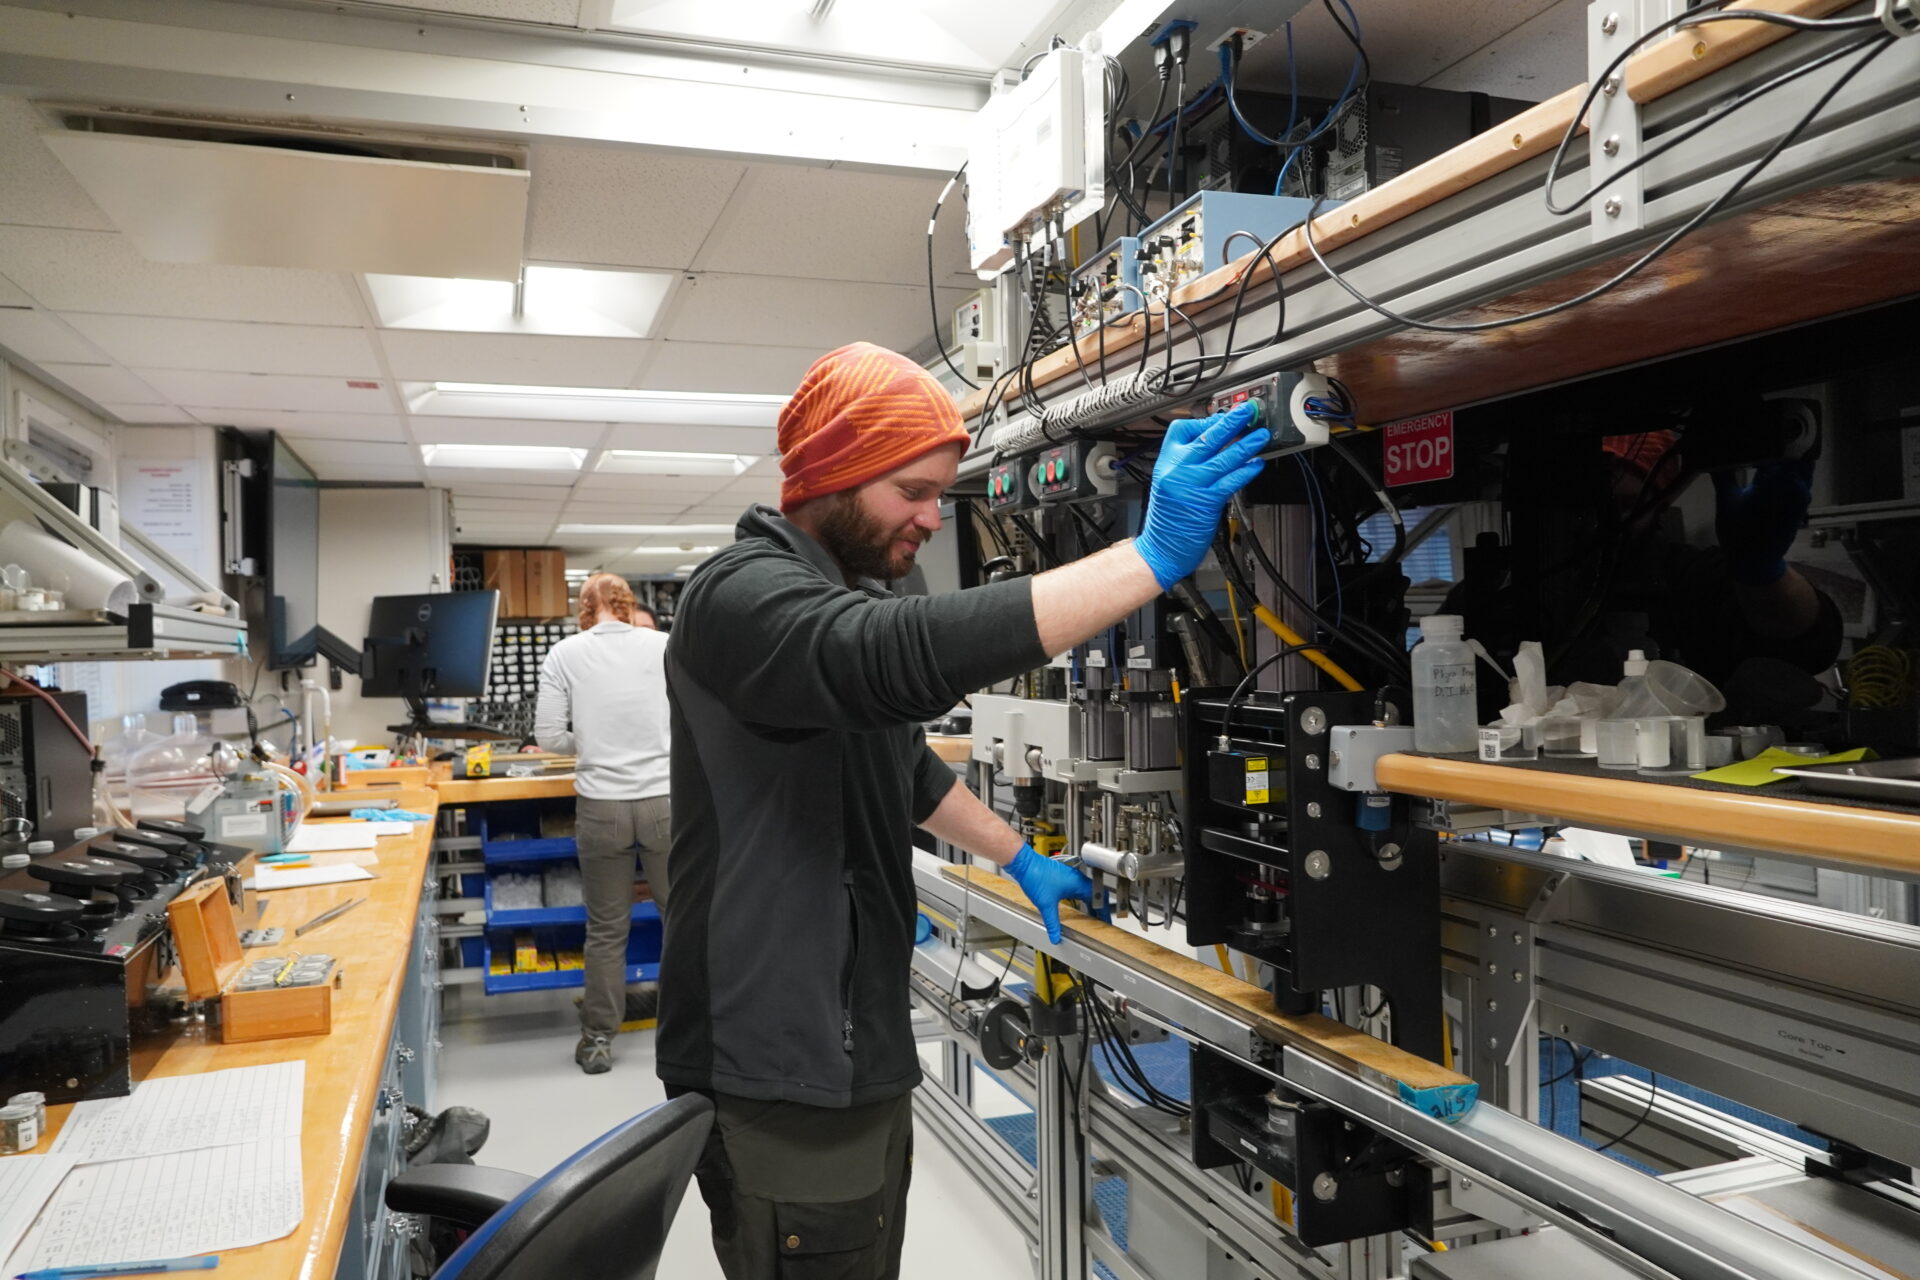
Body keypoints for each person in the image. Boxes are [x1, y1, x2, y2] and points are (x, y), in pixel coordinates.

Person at [659, 341, 1268, 1278]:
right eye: (911, 491)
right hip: (780, 1055)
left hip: (850, 1038)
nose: (930, 518)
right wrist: (1145, 560)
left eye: (940, 493)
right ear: (834, 474)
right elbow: (882, 655)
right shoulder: (738, 600)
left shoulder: (839, 594)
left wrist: (1018, 857)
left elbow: (900, 770)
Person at [534, 573, 672, 1075]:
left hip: (601, 808)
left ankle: (596, 1041)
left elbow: (548, 735)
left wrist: (589, 743)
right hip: (664, 802)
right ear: (628, 603)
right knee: (682, 918)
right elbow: (695, 714)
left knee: (606, 930)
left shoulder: (564, 654)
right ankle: (698, 1028)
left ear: (584, 609)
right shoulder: (663, 645)